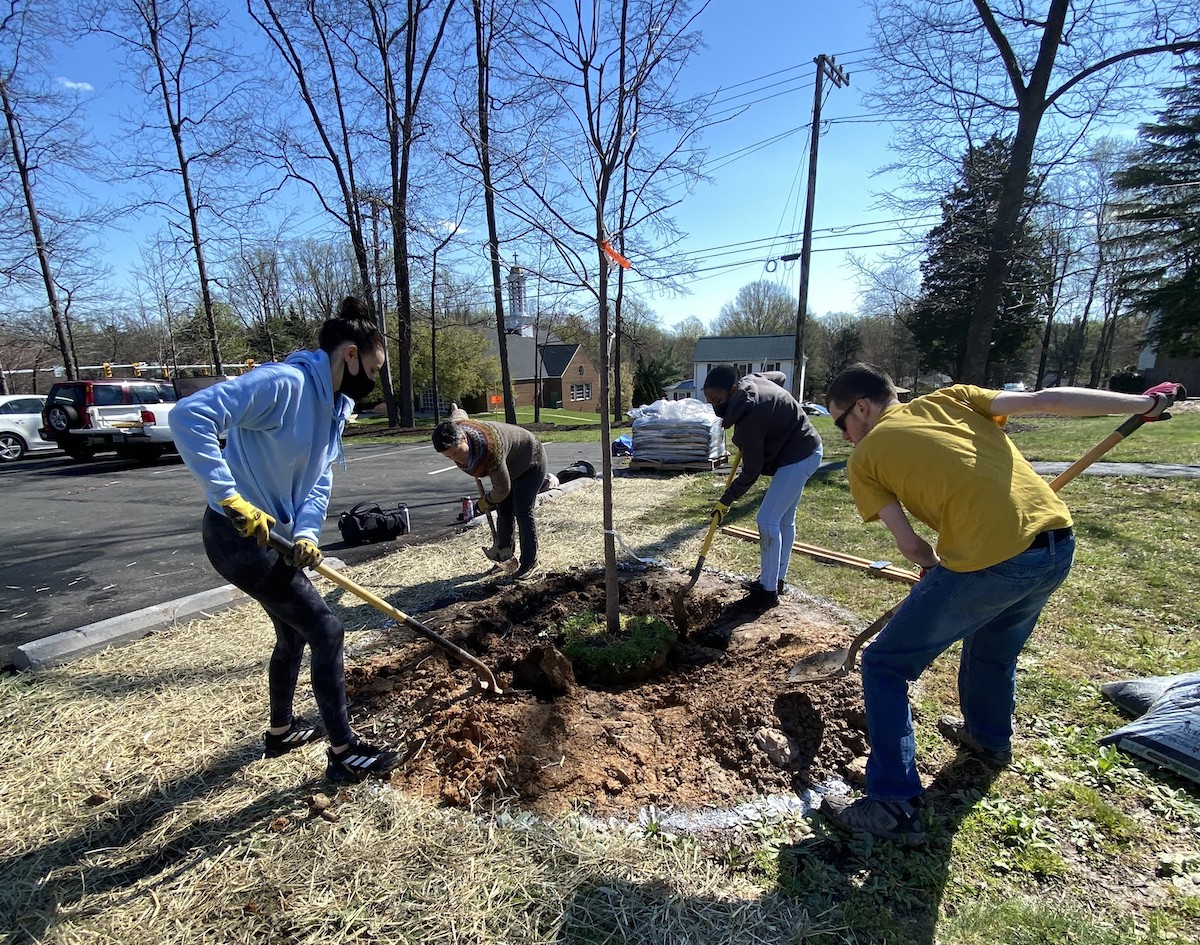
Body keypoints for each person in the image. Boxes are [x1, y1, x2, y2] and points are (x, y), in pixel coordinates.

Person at [820, 363, 1182, 845]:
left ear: (861, 407)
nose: (843, 435)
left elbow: (909, 546)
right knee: (993, 645)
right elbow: (1044, 398)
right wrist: (1144, 403)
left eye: (841, 421)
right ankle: (988, 737)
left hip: (993, 562)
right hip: (1055, 545)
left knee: (885, 664)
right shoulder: (953, 398)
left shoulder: (865, 460)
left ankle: (892, 804)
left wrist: (931, 565)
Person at [170, 297, 401, 784]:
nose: (374, 381)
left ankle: (280, 732)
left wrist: (308, 534)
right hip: (238, 535)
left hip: (276, 538)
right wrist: (229, 497)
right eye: (375, 368)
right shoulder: (286, 384)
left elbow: (318, 481)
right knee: (327, 630)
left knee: (294, 632)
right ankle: (344, 751)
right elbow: (190, 415)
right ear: (351, 355)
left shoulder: (335, 406)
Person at [701, 363, 824, 612]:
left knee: (767, 519)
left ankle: (767, 593)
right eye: (709, 400)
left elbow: (752, 471)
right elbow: (779, 376)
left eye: (717, 399)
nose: (714, 405)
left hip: (800, 455)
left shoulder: (750, 420)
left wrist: (726, 500)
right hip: (805, 447)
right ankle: (776, 581)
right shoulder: (752, 378)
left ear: (733, 389)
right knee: (783, 519)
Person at [432, 407, 547, 582]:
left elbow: (502, 489)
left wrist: (487, 501)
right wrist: (457, 408)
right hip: (510, 464)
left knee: (522, 510)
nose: (456, 459)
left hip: (530, 460)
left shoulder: (490, 451)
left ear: (464, 438)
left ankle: (530, 563)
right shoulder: (456, 427)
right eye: (450, 457)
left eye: (457, 452)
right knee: (504, 510)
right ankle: (505, 555)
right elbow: (460, 415)